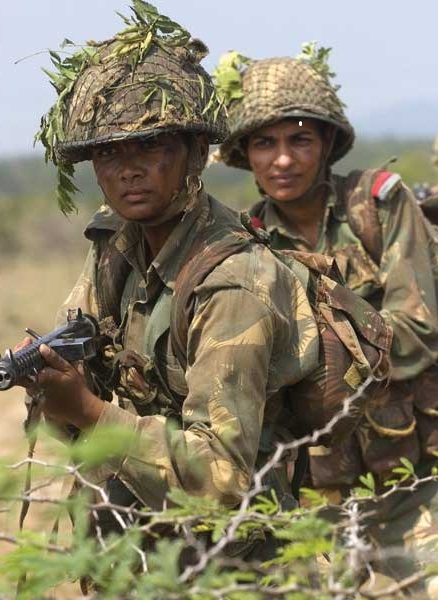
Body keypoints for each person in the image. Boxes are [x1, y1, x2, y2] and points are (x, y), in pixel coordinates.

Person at [17, 4, 322, 561]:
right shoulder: (118, 245)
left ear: (195, 153)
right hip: (137, 549)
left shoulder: (234, 282)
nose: (127, 169)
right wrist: (54, 383)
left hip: (229, 567)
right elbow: (88, 398)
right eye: (108, 151)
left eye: (150, 145)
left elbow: (222, 482)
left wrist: (84, 408)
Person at [217, 51, 438, 592]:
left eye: (300, 140)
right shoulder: (246, 245)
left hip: (413, 485)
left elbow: (418, 330)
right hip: (315, 497)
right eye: (265, 143)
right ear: (246, 154)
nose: (283, 160)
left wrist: (324, 343)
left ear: (327, 145)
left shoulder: (378, 205)